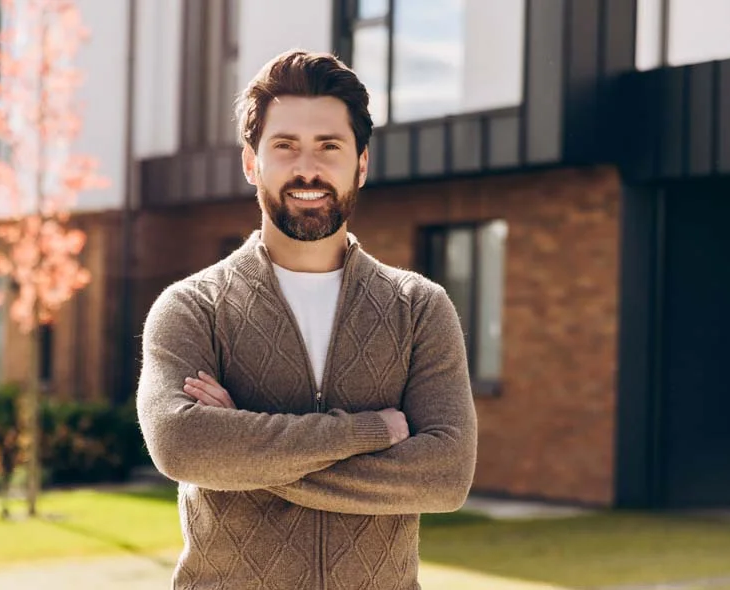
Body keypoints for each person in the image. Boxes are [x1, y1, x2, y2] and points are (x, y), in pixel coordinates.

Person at [137, 49, 478, 589]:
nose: (308, 169)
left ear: (361, 163)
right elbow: (182, 445)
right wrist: (371, 432)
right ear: (251, 162)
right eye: (285, 146)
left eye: (329, 147)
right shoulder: (192, 307)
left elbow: (445, 476)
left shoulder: (419, 308)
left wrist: (244, 454)